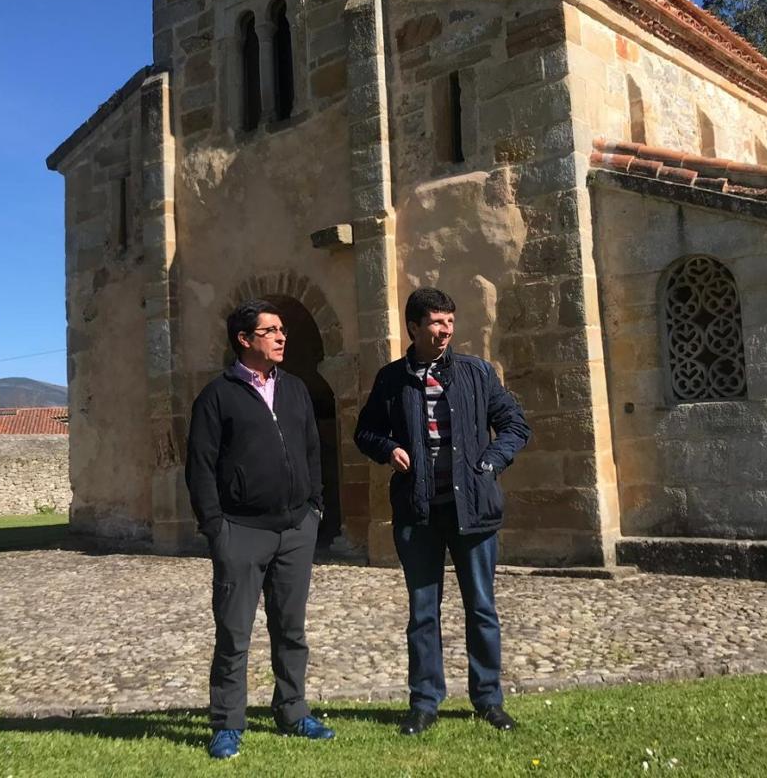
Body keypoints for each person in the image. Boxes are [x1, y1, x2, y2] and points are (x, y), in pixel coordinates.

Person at [354, 287, 531, 735]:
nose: (445, 330)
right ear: (413, 327)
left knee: (482, 608)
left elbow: (514, 424)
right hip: (419, 512)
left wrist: (490, 463)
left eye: (449, 322)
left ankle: (489, 699)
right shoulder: (392, 379)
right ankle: (425, 701)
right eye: (436, 322)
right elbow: (366, 432)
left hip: (472, 510)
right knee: (423, 611)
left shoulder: (476, 372)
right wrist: (389, 447)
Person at [185, 298, 335, 760]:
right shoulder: (218, 395)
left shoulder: (294, 389)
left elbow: (313, 449)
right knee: (234, 634)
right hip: (241, 531)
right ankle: (228, 722)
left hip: (296, 528)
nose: (281, 337)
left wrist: (315, 508)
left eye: (282, 329)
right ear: (244, 340)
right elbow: (200, 467)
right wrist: (217, 529)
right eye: (270, 330)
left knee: (291, 630)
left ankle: (293, 710)